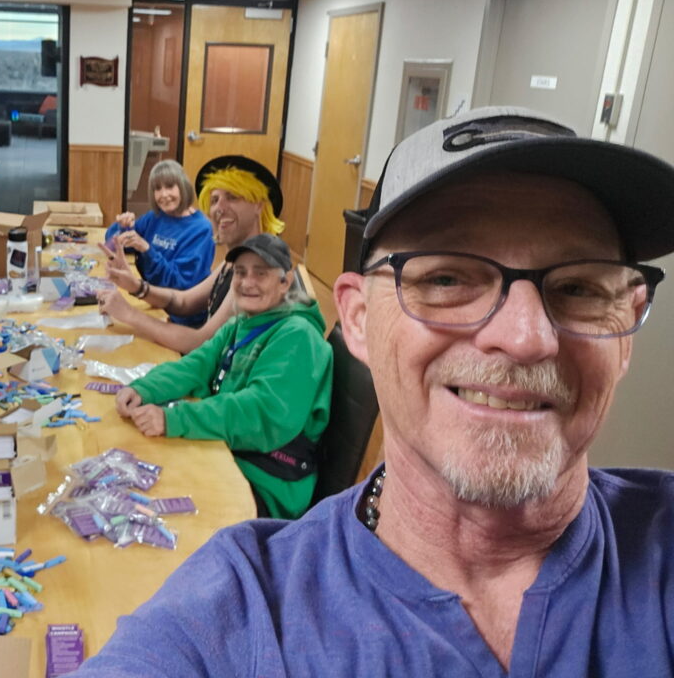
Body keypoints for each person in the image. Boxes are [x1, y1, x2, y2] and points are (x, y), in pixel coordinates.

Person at [75, 106, 674, 675]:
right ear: (358, 319)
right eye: (447, 278)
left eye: (579, 289)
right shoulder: (239, 610)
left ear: (628, 329)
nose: (524, 338)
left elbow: (259, 408)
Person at [116, 234, 331, 519]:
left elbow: (259, 412)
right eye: (240, 272)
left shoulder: (299, 337)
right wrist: (143, 389)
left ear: (285, 282)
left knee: (153, 506)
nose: (247, 282)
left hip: (265, 484)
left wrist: (173, 418)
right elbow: (196, 365)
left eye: (261, 273)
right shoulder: (243, 322)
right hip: (229, 452)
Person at [98, 155, 285, 354]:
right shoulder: (236, 259)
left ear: (259, 205)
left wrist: (129, 313)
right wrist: (135, 286)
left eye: (232, 197)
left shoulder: (257, 269)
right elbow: (184, 302)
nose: (219, 208)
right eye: (214, 200)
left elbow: (201, 342)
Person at [104, 160, 214, 326]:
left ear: (183, 187)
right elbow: (112, 243)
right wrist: (122, 227)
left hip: (182, 318)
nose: (163, 194)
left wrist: (147, 250)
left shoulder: (201, 229)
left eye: (170, 186)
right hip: (152, 300)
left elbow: (181, 284)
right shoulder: (155, 217)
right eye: (157, 189)